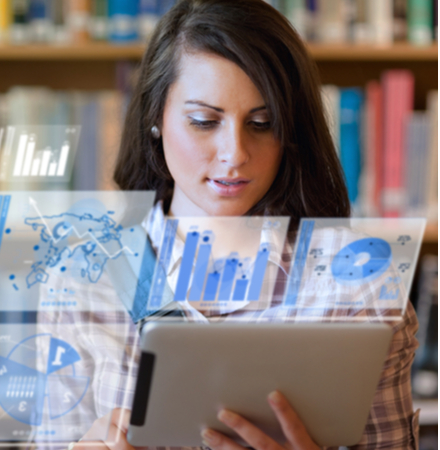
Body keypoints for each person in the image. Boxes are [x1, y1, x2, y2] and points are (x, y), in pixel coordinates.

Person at [39, 0, 420, 449]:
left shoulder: (359, 286)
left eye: (262, 123)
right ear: (155, 119)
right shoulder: (82, 280)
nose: (234, 153)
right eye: (204, 121)